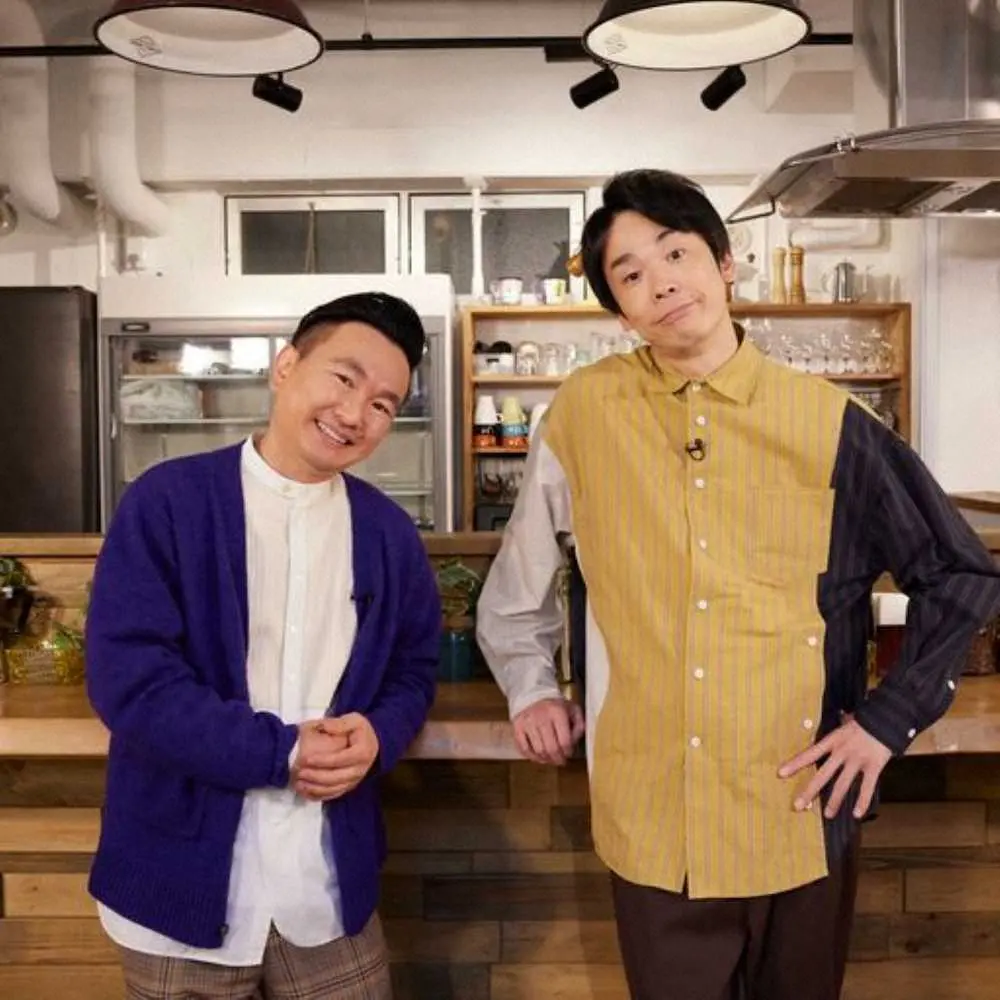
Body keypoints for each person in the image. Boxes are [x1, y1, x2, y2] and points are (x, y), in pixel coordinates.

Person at [476, 169, 1000, 1000]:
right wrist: (531, 686)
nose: (660, 283)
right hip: (651, 810)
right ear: (619, 309)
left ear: (724, 265)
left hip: (800, 800)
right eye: (630, 274)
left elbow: (960, 572)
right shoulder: (581, 412)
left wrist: (888, 720)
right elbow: (519, 584)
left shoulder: (832, 421)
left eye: (675, 253)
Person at [86, 291, 441, 1000]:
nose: (355, 413)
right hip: (176, 892)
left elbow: (414, 668)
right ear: (286, 367)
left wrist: (378, 734)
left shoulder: (388, 533)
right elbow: (131, 680)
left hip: (327, 891)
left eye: (382, 403)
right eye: (343, 378)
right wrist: (281, 752)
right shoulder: (167, 501)